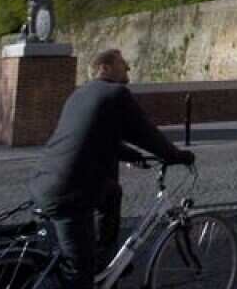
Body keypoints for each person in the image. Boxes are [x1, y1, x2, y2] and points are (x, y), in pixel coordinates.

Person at [29, 50, 193, 288]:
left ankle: (104, 258)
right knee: (78, 275)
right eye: (122, 63)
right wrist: (179, 156)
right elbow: (147, 134)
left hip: (42, 181)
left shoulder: (80, 94)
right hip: (69, 194)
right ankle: (89, 270)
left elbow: (93, 135)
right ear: (104, 68)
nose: (128, 68)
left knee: (111, 192)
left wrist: (131, 155)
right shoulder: (116, 94)